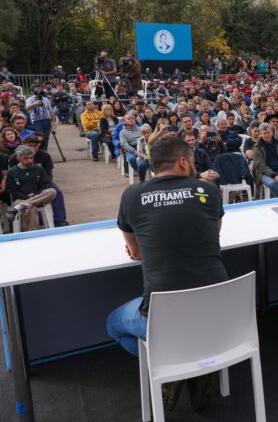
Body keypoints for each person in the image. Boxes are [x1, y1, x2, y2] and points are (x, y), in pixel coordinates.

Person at [106, 137, 228, 412]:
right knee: (195, 322)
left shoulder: (132, 195)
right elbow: (214, 232)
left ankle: (174, 371)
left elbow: (136, 253)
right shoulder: (208, 190)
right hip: (219, 315)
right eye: (193, 162)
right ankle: (197, 370)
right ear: (183, 162)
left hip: (164, 320)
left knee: (113, 326)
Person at [5, 145, 57, 232]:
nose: (29, 160)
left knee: (52, 191)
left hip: (38, 196)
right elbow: (12, 192)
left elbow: (44, 185)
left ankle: (18, 208)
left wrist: (35, 195)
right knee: (30, 208)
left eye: (31, 158)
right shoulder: (12, 172)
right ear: (18, 158)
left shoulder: (39, 168)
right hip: (20, 198)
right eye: (26, 158)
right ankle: (33, 235)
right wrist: (27, 197)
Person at [25, 85, 57, 150]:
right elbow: (27, 108)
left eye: (40, 88)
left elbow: (50, 111)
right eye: (37, 88)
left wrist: (53, 121)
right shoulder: (30, 99)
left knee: (46, 138)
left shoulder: (45, 99)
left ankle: (45, 150)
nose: (39, 90)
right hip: (36, 121)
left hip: (47, 120)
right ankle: (40, 150)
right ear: (33, 90)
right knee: (39, 138)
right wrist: (35, 103)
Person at [120, 114, 145, 181]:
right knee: (132, 159)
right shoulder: (122, 132)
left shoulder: (141, 129)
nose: (131, 120)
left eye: (133, 118)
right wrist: (135, 151)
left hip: (142, 147)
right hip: (130, 148)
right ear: (125, 122)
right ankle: (140, 172)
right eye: (129, 118)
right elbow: (124, 144)